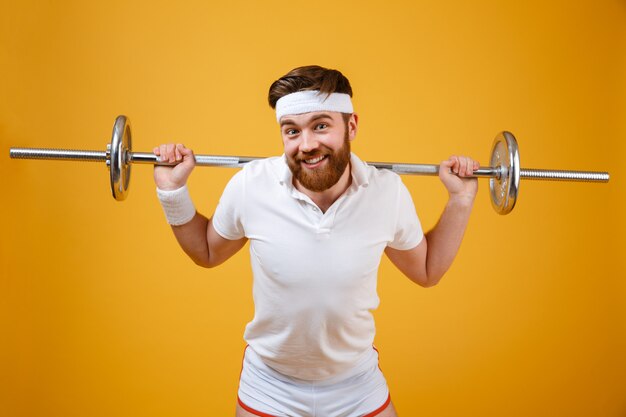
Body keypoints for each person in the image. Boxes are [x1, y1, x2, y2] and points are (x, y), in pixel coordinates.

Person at [153, 65, 479, 417]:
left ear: (351, 125)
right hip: (270, 385)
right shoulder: (251, 185)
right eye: (292, 131)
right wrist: (173, 192)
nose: (306, 145)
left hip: (356, 385)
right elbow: (206, 252)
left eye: (321, 126)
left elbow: (427, 270)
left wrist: (460, 200)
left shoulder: (387, 192)